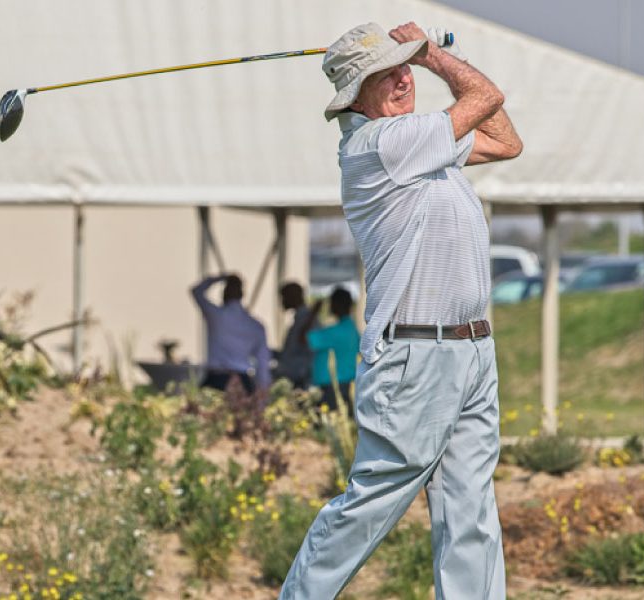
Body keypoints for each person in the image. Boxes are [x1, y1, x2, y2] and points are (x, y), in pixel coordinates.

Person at [279, 22, 522, 600]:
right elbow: (486, 99)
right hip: (415, 355)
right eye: (385, 72)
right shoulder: (379, 145)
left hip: (471, 350)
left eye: (405, 66)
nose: (403, 78)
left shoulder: (425, 146)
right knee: (374, 499)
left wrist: (420, 58)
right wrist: (433, 53)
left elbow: (507, 140)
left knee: (470, 505)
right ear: (355, 97)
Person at [190, 273, 271, 395]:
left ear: (224, 294)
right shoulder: (256, 326)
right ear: (242, 294)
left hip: (216, 380)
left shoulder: (216, 316)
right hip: (243, 381)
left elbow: (196, 291)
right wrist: (263, 393)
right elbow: (263, 364)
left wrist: (220, 278)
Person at [305, 287, 360, 414]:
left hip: (332, 388)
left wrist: (312, 313)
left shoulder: (337, 331)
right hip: (344, 385)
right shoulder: (352, 329)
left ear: (338, 304)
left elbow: (303, 338)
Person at [272, 282, 319, 388]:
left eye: (284, 297)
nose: (282, 301)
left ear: (293, 296)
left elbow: (310, 351)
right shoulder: (299, 320)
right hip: (293, 377)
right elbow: (291, 352)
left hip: (300, 381)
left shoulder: (308, 321)